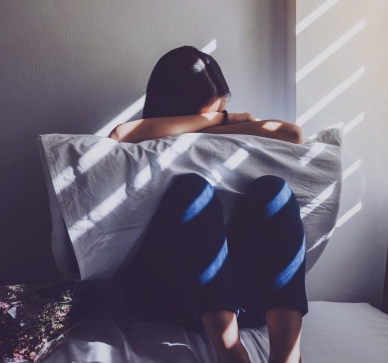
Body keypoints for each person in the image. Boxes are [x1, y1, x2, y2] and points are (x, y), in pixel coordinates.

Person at [109, 46, 307, 363]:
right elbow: (120, 134)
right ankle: (229, 352)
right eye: (209, 116)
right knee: (193, 190)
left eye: (221, 110)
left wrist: (225, 123)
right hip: (170, 293)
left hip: (240, 297)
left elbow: (292, 133)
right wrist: (215, 120)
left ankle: (287, 355)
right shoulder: (147, 139)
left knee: (274, 191)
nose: (217, 122)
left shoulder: (233, 130)